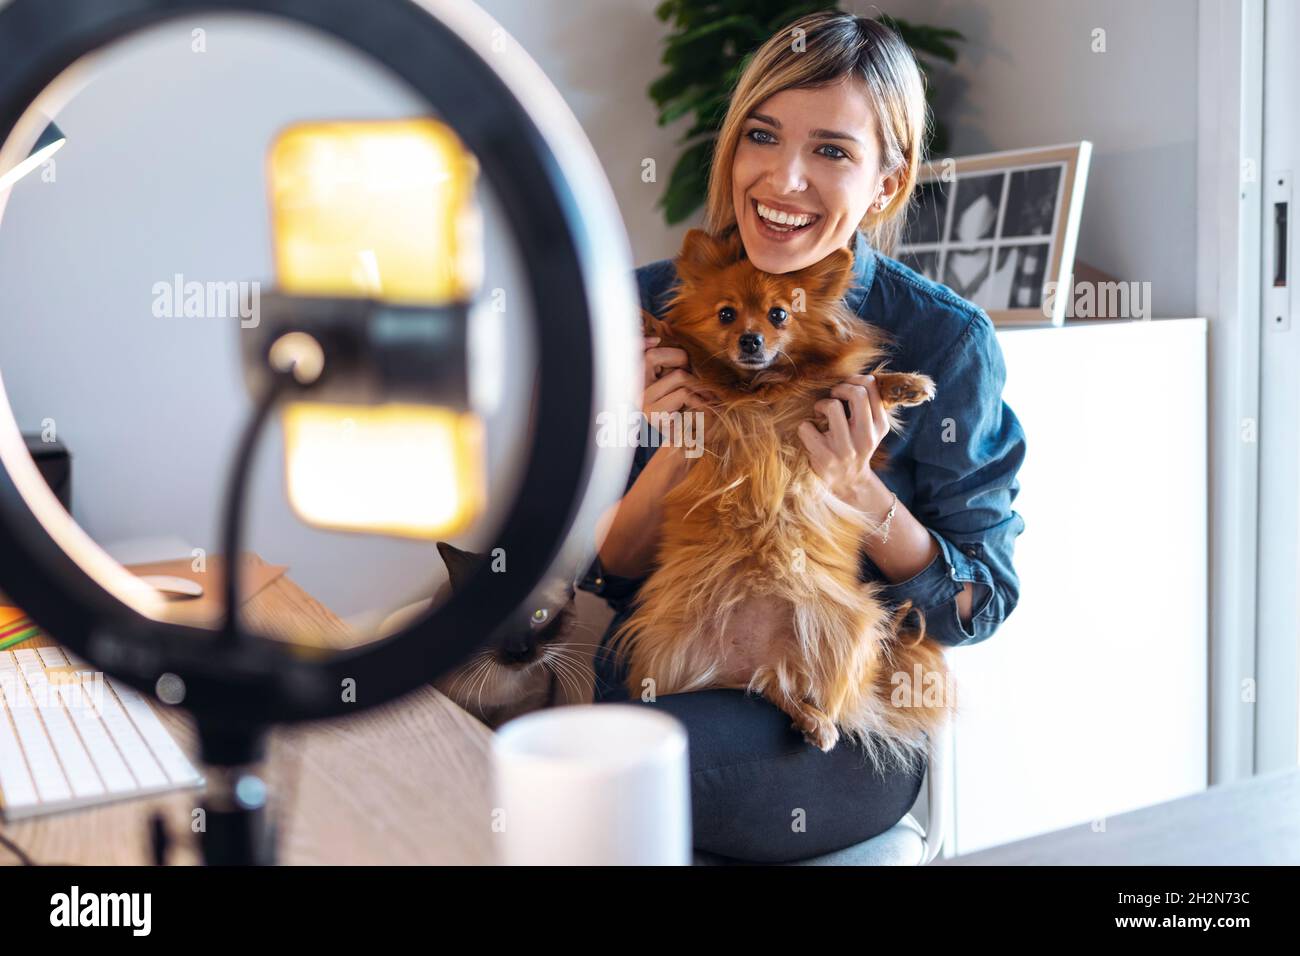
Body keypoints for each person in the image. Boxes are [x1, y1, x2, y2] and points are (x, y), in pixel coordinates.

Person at [578, 11, 1027, 864]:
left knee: (605, 791)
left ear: (887, 185)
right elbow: (610, 571)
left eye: (831, 150)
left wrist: (863, 493)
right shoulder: (648, 307)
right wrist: (679, 449)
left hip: (833, 710)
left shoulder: (941, 341)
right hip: (667, 667)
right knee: (579, 778)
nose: (783, 179)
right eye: (762, 135)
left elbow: (979, 603)